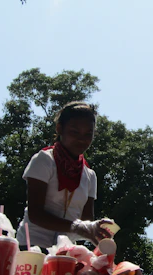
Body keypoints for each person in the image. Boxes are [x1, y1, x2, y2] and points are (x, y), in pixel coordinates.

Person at [16, 101, 112, 251]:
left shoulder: (90, 176)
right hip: (31, 247)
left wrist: (94, 229)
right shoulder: (44, 160)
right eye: (74, 132)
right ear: (59, 128)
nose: (82, 139)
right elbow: (35, 214)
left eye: (88, 134)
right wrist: (76, 226)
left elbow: (86, 221)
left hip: (65, 253)